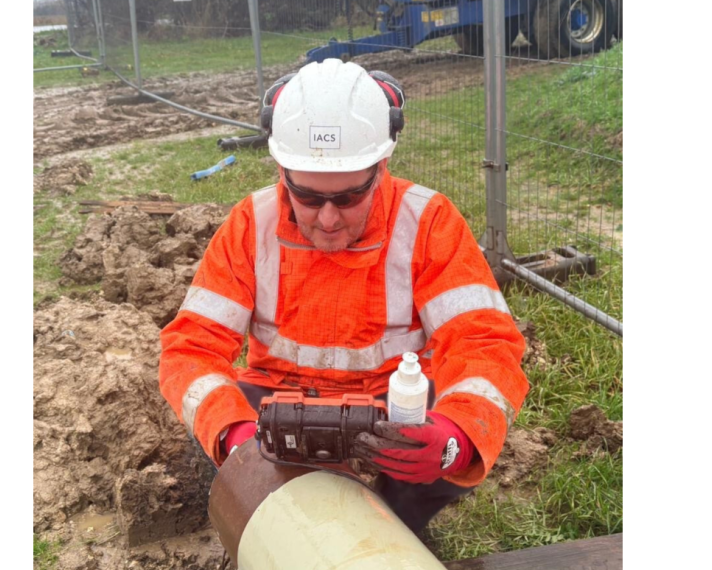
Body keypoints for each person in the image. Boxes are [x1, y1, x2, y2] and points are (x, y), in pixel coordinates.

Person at [158, 58, 529, 533]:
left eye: (350, 197)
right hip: (277, 406)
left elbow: (485, 344)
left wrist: (455, 437)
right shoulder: (251, 224)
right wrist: (237, 436)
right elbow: (191, 348)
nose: (328, 219)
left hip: (393, 411)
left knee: (445, 423)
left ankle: (398, 521)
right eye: (308, 198)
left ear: (381, 166)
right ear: (281, 168)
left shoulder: (427, 221)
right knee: (219, 417)